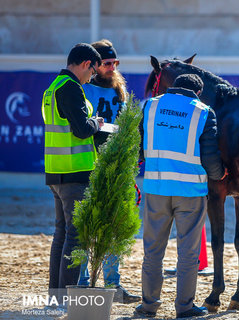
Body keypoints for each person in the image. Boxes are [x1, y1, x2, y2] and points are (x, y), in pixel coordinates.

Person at [134, 74, 227, 318]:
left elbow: (139, 145)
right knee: (188, 254)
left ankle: (149, 305)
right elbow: (209, 156)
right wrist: (219, 173)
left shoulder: (151, 105)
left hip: (156, 188)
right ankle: (184, 307)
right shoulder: (203, 111)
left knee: (152, 251)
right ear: (198, 91)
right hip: (190, 192)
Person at [77, 39, 141, 304]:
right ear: (94, 64)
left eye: (115, 63)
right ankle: (80, 284)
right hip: (91, 166)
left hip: (118, 166)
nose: (112, 67)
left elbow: (125, 127)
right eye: (107, 63)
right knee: (84, 228)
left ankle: (113, 285)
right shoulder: (84, 89)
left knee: (116, 227)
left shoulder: (119, 90)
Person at [41, 43, 103, 301]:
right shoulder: (71, 88)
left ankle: (55, 295)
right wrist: (96, 123)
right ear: (86, 63)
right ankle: (65, 297)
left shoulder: (52, 88)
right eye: (93, 72)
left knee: (62, 234)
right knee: (74, 237)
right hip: (75, 173)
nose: (92, 78)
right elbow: (81, 129)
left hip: (57, 172)